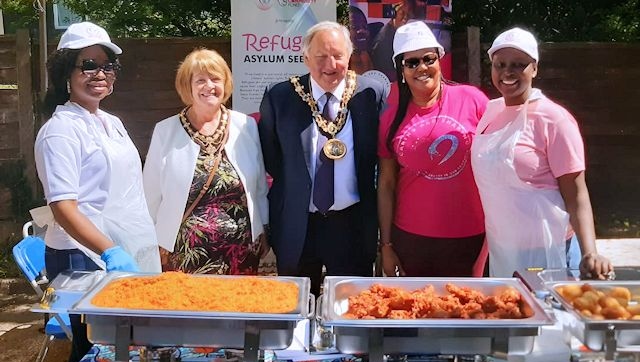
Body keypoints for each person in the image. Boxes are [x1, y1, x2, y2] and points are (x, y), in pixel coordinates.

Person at [34, 22, 161, 362]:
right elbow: (62, 206)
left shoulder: (111, 121)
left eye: (107, 66)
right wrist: (110, 251)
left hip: (121, 249)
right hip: (84, 256)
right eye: (88, 65)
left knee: (124, 348)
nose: (99, 73)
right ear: (66, 72)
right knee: (95, 354)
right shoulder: (59, 131)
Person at [471, 27, 613, 278]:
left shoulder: (554, 119)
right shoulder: (489, 114)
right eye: (500, 64)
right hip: (502, 250)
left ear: (534, 68)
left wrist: (591, 251)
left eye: (518, 64)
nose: (507, 72)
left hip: (551, 251)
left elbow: (576, 193)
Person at [258, 21, 385, 296]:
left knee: (352, 310)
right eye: (320, 57)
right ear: (305, 58)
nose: (330, 64)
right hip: (297, 224)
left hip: (351, 225)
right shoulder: (280, 97)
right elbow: (273, 159)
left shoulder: (371, 94)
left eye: (338, 55)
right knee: (295, 309)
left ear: (349, 56)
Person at [143, 48, 269, 275]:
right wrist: (153, 241)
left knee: (239, 307)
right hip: (185, 251)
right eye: (200, 80)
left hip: (240, 250)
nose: (209, 86)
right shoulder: (166, 130)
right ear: (187, 86)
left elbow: (259, 187)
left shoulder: (246, 126)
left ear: (226, 84)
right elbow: (151, 193)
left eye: (215, 79)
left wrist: (263, 230)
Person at [377, 21, 488, 277]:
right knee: (416, 311)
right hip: (411, 239)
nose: (422, 68)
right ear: (401, 70)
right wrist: (386, 245)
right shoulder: (391, 120)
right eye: (412, 62)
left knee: (466, 311)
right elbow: (386, 185)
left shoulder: (473, 101)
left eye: (428, 59)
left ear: (440, 59)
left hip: (470, 236)